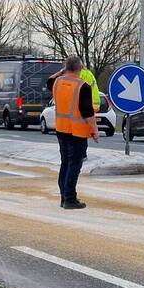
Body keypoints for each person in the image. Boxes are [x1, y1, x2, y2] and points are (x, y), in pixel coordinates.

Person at [49, 55, 100, 209]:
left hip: (61, 129)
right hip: (77, 132)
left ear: (66, 68)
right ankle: (70, 198)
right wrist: (95, 130)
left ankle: (64, 196)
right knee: (74, 164)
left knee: (65, 163)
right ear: (81, 68)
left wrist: (61, 71)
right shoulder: (83, 86)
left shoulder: (58, 82)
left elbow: (49, 80)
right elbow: (87, 112)